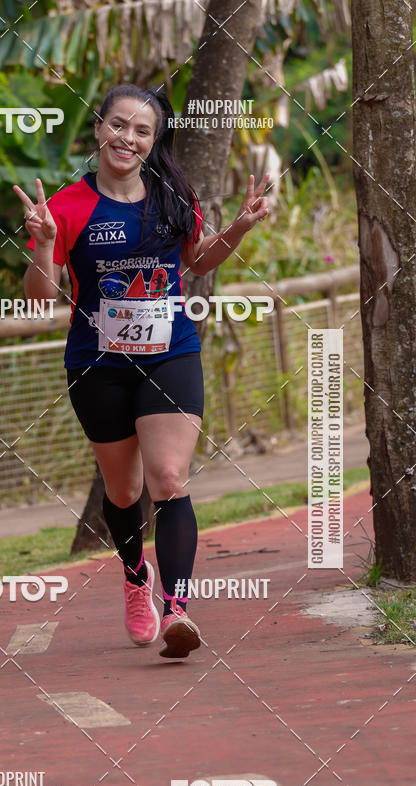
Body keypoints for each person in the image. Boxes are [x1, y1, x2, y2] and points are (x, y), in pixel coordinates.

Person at [14, 84, 269, 659]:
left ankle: (178, 609)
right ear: (99, 128)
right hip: (97, 365)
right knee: (124, 490)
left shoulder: (173, 196)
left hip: (170, 353)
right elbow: (40, 296)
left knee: (170, 479)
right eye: (119, 125)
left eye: (142, 131)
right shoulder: (67, 207)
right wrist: (43, 245)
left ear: (154, 143)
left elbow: (197, 261)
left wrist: (239, 230)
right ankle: (135, 578)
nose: (128, 138)